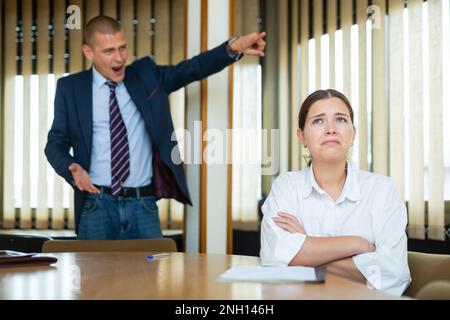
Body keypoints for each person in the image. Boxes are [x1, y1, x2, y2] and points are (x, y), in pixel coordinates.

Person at [45, 15, 266, 240]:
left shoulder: (146, 76)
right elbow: (55, 144)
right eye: (109, 51)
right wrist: (71, 166)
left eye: (122, 48)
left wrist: (233, 48)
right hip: (95, 205)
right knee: (94, 275)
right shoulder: (70, 88)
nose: (119, 58)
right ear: (88, 52)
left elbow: (191, 69)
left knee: (150, 275)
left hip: (143, 206)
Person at [260, 89, 411, 296]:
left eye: (340, 119)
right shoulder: (286, 187)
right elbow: (275, 257)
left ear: (353, 134)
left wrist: (307, 250)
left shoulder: (381, 190)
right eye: (318, 121)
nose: (331, 129)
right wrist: (356, 244)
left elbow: (393, 273)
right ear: (301, 136)